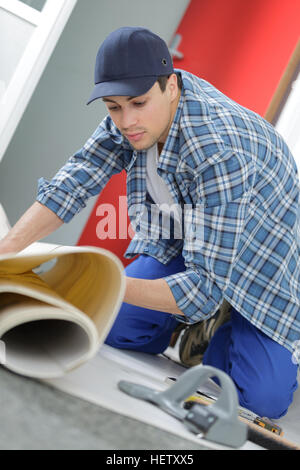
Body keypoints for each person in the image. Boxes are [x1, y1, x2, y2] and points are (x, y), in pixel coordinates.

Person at [0, 26, 299, 419]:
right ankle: (188, 323)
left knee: (259, 399)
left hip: (260, 258)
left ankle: (219, 323)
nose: (126, 121)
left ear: (170, 87)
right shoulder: (132, 114)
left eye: (137, 103)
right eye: (114, 107)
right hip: (186, 234)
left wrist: (100, 280)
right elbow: (73, 181)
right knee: (116, 328)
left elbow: (203, 290)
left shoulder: (219, 150)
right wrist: (8, 251)